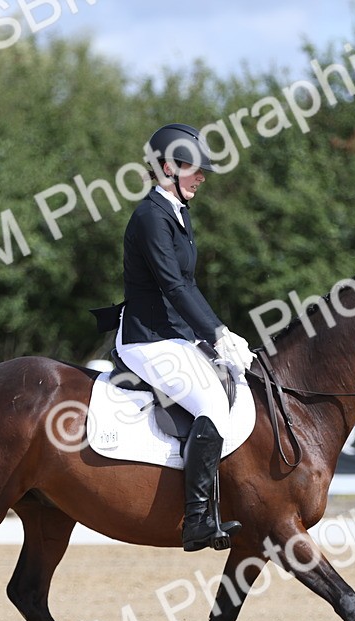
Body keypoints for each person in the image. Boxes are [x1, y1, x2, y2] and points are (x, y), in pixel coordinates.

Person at [116, 123, 255, 553]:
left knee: (231, 384)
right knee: (212, 404)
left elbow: (188, 286)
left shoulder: (179, 213)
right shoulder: (150, 217)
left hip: (174, 336)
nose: (202, 177)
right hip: (147, 339)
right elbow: (173, 286)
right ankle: (196, 519)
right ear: (166, 168)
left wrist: (222, 335)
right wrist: (214, 332)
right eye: (193, 168)